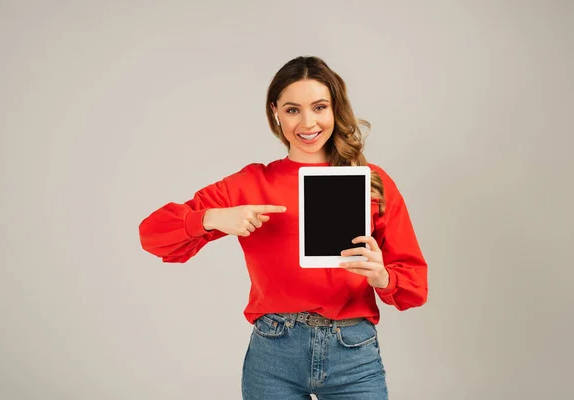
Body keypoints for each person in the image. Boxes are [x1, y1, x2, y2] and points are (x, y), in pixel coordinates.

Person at [138, 56, 428, 400]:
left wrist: (382, 276)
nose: (308, 122)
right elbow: (152, 235)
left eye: (319, 107)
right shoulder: (250, 184)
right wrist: (212, 218)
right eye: (293, 110)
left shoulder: (372, 183)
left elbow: (414, 286)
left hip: (353, 353)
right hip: (274, 354)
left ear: (335, 109)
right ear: (275, 111)